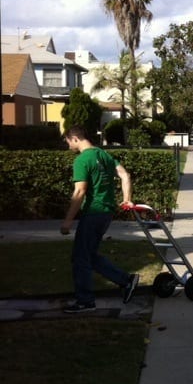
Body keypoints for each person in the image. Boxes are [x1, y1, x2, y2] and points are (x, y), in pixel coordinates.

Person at [60, 125, 140, 313]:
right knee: (89, 255)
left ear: (75, 139)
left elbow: (80, 191)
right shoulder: (103, 155)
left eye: (68, 142)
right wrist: (126, 198)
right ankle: (126, 280)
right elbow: (124, 174)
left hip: (93, 213)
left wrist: (68, 221)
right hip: (106, 213)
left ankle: (85, 301)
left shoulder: (82, 160)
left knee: (80, 258)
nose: (68, 146)